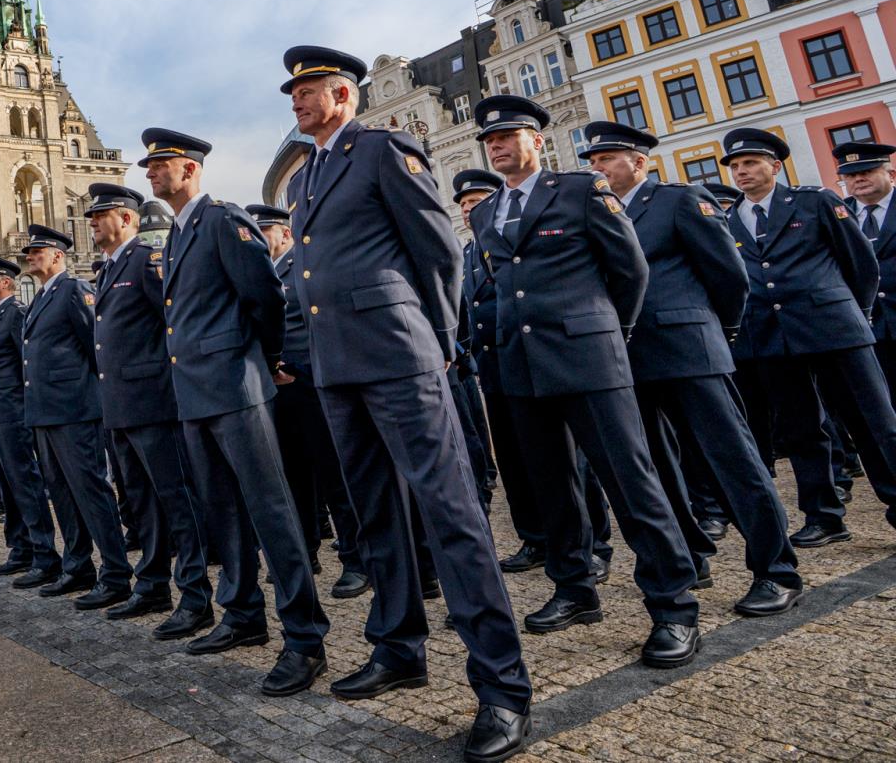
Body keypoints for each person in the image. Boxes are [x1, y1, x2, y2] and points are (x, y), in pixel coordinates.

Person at [281, 53, 531, 757]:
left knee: (451, 516)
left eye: (309, 89)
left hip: (396, 351)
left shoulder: (383, 148)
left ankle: (503, 686)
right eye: (293, 91)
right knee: (375, 514)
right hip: (337, 365)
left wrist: (440, 339)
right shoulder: (306, 175)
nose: (297, 100)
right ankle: (398, 647)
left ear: (342, 93)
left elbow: (436, 250)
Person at [470, 94, 699, 670]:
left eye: (508, 137)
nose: (497, 147)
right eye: (490, 141)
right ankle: (575, 587)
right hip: (523, 364)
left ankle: (673, 605)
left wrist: (607, 331)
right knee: (554, 486)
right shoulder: (484, 212)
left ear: (537, 141)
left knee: (630, 481)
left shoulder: (579, 190)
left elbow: (630, 269)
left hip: (589, 356)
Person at [583, 121, 802, 617]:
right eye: (592, 162)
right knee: (658, 468)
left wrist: (715, 334)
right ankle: (691, 556)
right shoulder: (598, 210)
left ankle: (776, 569)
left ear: (638, 162)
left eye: (606, 160)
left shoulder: (678, 200)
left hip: (689, 349)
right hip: (630, 360)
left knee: (733, 460)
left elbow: (729, 276)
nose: (596, 169)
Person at [139, 125, 329, 698]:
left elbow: (264, 295)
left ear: (190, 168)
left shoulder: (222, 219)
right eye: (149, 167)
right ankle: (243, 613)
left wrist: (264, 358)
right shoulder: (177, 233)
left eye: (160, 165)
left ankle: (305, 638)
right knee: (221, 510)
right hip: (195, 391)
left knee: (272, 512)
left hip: (236, 384)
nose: (149, 174)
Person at [726, 129, 896, 544]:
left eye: (750, 163)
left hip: (833, 329)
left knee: (872, 421)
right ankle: (823, 516)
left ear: (775, 166)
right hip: (771, 338)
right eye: (734, 166)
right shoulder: (730, 218)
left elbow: (860, 264)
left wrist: (853, 314)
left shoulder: (814, 201)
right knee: (803, 429)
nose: (742, 172)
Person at [86, 183, 216, 636]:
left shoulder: (146, 260)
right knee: (141, 503)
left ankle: (196, 595)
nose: (92, 224)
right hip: (121, 406)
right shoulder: (107, 270)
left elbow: (170, 325)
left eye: (99, 216)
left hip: (153, 402)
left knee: (176, 499)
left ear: (125, 218)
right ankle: (154, 583)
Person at [246, 201, 371, 600]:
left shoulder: (302, 264)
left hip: (310, 383)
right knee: (294, 478)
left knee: (335, 477)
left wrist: (298, 368)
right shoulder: (261, 271)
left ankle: (356, 559)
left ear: (284, 233)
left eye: (264, 232)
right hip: (276, 388)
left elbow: (321, 320)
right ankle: (307, 553)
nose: (259, 240)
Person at [19, 223, 134, 608]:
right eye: (29, 253)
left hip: (74, 410)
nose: (30, 257)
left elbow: (95, 348)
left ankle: (116, 574)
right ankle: (78, 565)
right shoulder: (39, 298)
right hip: (46, 413)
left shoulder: (73, 290)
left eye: (38, 252)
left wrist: (96, 400)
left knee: (91, 491)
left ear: (58, 255)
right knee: (63, 495)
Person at [452, 168, 547, 573]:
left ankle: (592, 544)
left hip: (535, 360)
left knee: (556, 458)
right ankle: (534, 539)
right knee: (512, 459)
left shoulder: (515, 239)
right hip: (494, 363)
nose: (469, 209)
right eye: (464, 205)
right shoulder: (471, 250)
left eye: (476, 201)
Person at [0, 256, 62, 585]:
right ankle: (20, 548)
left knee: (24, 484)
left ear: (7, 282)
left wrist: (23, 405)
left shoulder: (15, 314)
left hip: (11, 411)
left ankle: (45, 554)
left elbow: (27, 363)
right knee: (6, 486)